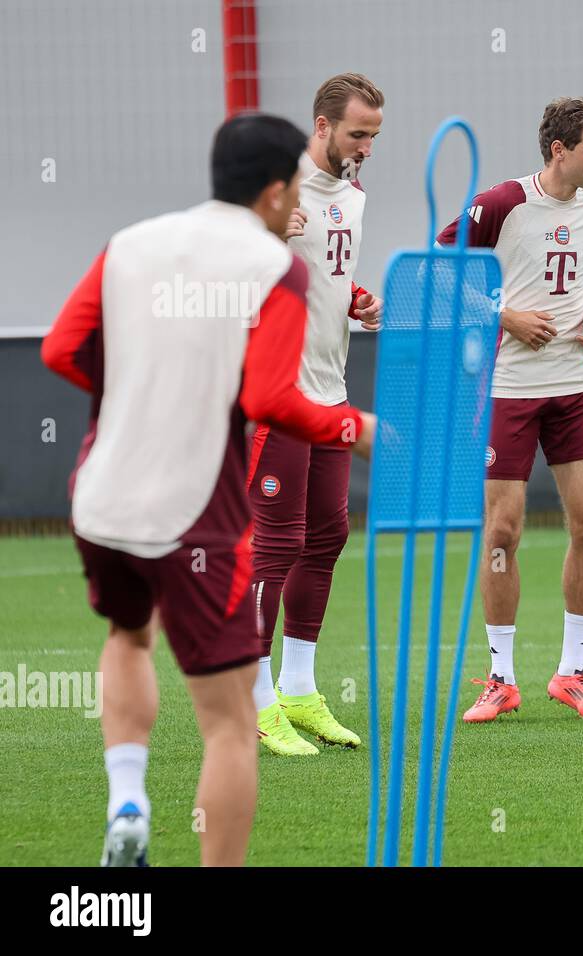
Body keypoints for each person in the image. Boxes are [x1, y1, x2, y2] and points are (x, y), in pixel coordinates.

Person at [42, 113, 375, 865]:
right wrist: (358, 428)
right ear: (271, 189)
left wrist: (137, 393)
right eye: (293, 179)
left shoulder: (131, 243)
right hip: (193, 518)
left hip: (98, 505)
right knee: (229, 724)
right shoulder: (275, 268)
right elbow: (271, 400)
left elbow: (63, 349)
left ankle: (127, 797)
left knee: (128, 636)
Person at [434, 97, 583, 722]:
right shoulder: (501, 204)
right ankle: (501, 677)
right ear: (558, 151)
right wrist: (502, 314)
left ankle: (572, 672)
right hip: (506, 387)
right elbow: (444, 268)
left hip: (575, 382)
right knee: (502, 533)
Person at [246, 73, 384, 754]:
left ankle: (299, 690)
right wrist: (265, 237)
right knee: (276, 542)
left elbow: (323, 275)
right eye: (357, 133)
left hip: (330, 390)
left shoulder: (353, 195)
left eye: (374, 136)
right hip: (277, 396)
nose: (365, 146)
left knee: (327, 535)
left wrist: (355, 295)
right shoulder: (273, 187)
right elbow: (223, 277)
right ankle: (255, 697)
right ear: (322, 126)